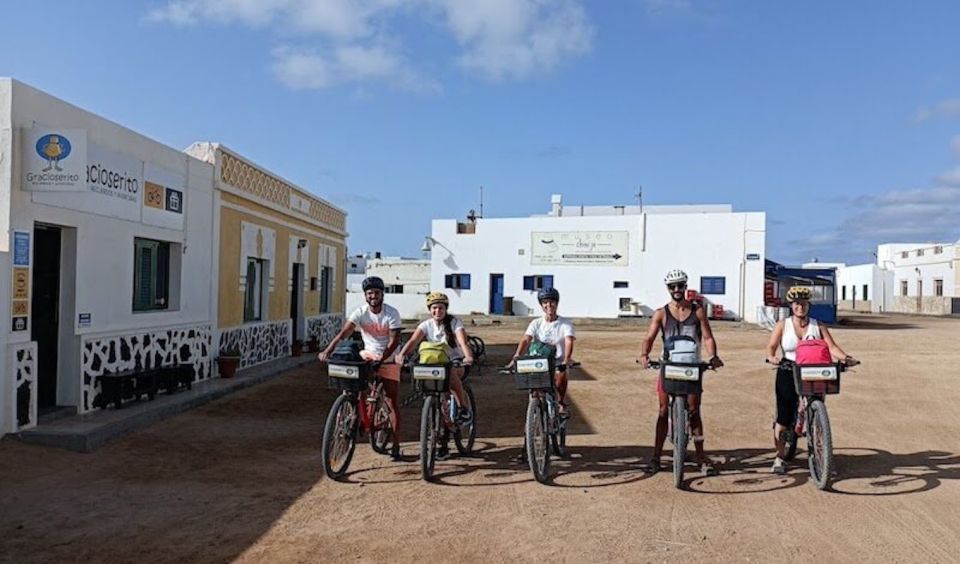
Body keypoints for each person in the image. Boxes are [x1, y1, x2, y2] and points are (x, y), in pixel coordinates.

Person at [764, 285, 859, 474]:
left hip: (813, 370)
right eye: (797, 304)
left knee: (817, 411)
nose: (801, 307)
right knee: (783, 415)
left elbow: (832, 347)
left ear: (809, 305)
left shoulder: (818, 325)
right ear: (791, 305)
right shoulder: (783, 325)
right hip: (788, 369)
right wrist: (772, 357)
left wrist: (845, 358)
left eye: (804, 304)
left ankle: (822, 457)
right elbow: (771, 347)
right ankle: (779, 457)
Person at [639, 269, 724, 476]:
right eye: (672, 286)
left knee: (694, 412)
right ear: (668, 289)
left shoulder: (698, 311)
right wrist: (644, 354)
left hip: (691, 366)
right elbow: (649, 337)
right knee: (662, 411)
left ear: (686, 287)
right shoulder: (661, 313)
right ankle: (656, 457)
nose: (676, 290)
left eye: (680, 285)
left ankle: (701, 457)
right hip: (668, 365)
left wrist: (713, 356)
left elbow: (707, 337)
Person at [319, 276, 403, 459]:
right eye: (370, 293)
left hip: (389, 357)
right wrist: (328, 350)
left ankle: (396, 444)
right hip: (368, 354)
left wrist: (383, 358)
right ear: (366, 295)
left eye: (377, 293)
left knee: (390, 400)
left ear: (382, 294)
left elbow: (394, 339)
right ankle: (354, 413)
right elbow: (345, 332)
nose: (373, 296)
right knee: (354, 386)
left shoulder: (391, 313)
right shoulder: (360, 312)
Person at [395, 291, 475, 460]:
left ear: (445, 309)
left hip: (456, 363)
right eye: (434, 308)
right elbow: (412, 342)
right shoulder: (426, 325)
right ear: (430, 310)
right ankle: (439, 439)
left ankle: (463, 408)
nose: (437, 311)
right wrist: (401, 355)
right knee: (437, 401)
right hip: (433, 366)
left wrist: (468, 356)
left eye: (440, 308)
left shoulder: (455, 323)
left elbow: (462, 342)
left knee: (451, 374)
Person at [509, 287, 576, 417]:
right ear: (541, 305)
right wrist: (517, 355)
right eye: (545, 302)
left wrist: (567, 358)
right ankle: (533, 419)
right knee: (533, 384)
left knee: (561, 375)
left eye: (552, 302)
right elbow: (526, 339)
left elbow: (569, 341)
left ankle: (561, 402)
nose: (548, 305)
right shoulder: (536, 323)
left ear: (557, 303)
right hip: (539, 361)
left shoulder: (565, 323)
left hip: (557, 361)